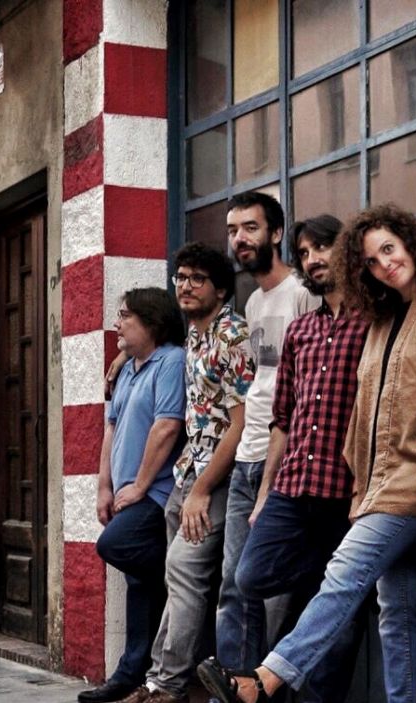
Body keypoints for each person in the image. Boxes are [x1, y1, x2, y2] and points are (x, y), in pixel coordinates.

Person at [198, 204, 416, 703]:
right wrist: (361, 485)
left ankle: (263, 680)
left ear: (412, 243)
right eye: (372, 260)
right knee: (396, 607)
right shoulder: (382, 319)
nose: (384, 264)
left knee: (344, 576)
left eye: (389, 249)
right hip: (375, 484)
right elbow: (361, 416)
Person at [225, 213, 368, 702]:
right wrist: (266, 491)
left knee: (341, 626)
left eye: (322, 248)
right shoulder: (301, 330)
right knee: (250, 574)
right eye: (304, 253)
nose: (313, 259)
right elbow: (281, 417)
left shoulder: (373, 323)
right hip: (293, 484)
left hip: (344, 490)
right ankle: (328, 578)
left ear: (346, 251)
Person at [119, 245, 255, 703]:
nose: (186, 286)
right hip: (188, 472)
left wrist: (202, 490)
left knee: (184, 571)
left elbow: (241, 423)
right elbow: (153, 343)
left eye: (198, 278)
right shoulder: (195, 333)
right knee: (178, 580)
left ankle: (168, 685)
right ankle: (160, 681)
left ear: (221, 289)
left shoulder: (231, 336)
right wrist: (121, 359)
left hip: (217, 479)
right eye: (180, 277)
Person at [217, 192, 320, 684]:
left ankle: (272, 684)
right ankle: (236, 685)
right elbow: (264, 379)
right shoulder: (254, 302)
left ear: (276, 234)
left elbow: (311, 383)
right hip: (248, 453)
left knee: (271, 585)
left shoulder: (301, 292)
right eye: (233, 230)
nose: (240, 238)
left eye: (250, 228)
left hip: (286, 457)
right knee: (234, 584)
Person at [80, 289, 186, 703]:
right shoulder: (127, 369)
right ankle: (131, 674)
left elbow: (167, 426)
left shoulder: (171, 361)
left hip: (156, 492)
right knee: (139, 583)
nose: (117, 323)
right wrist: (104, 486)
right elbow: (111, 427)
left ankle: (184, 582)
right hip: (126, 492)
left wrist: (140, 485)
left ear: (152, 322)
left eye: (125, 316)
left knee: (115, 545)